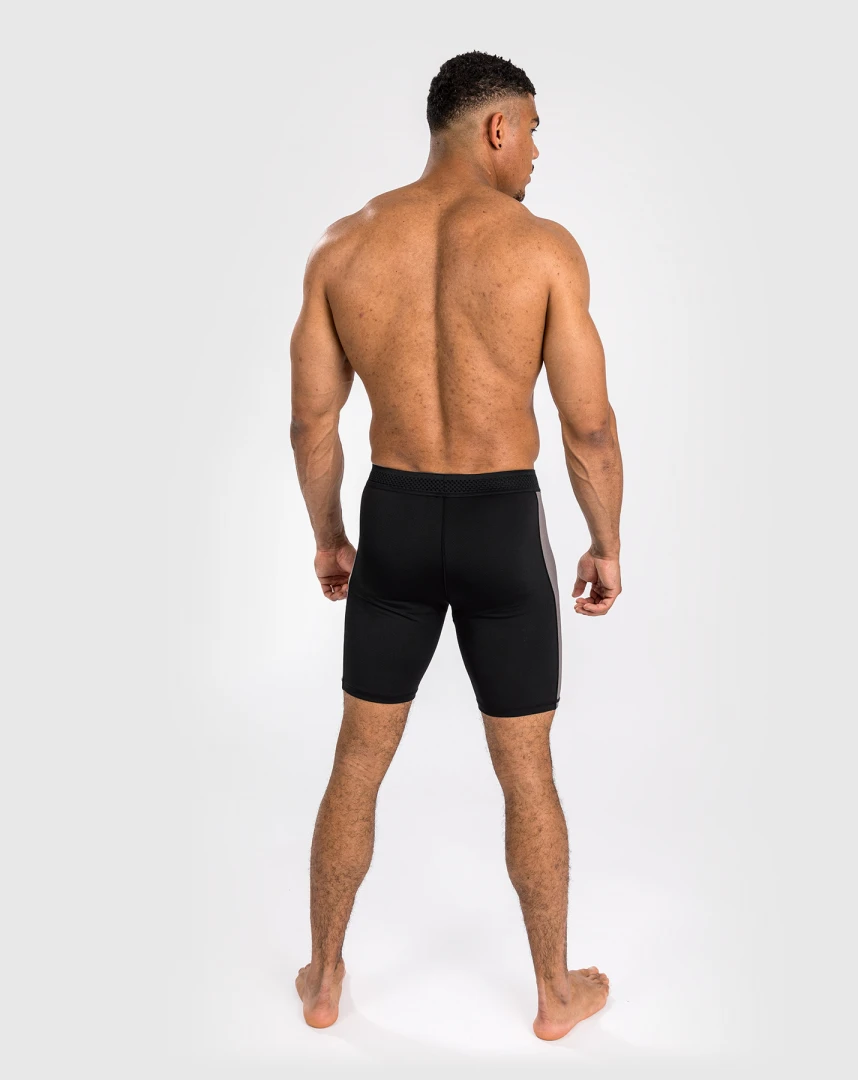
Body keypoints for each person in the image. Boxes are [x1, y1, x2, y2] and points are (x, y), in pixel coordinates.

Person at [289, 50, 623, 1042]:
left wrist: (331, 536)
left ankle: (323, 980)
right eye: (532, 133)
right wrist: (606, 542)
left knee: (357, 759)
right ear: (494, 128)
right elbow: (588, 426)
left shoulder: (343, 246)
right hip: (498, 528)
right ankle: (554, 993)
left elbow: (312, 423)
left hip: (394, 518)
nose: (536, 155)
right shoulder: (543, 250)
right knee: (528, 771)